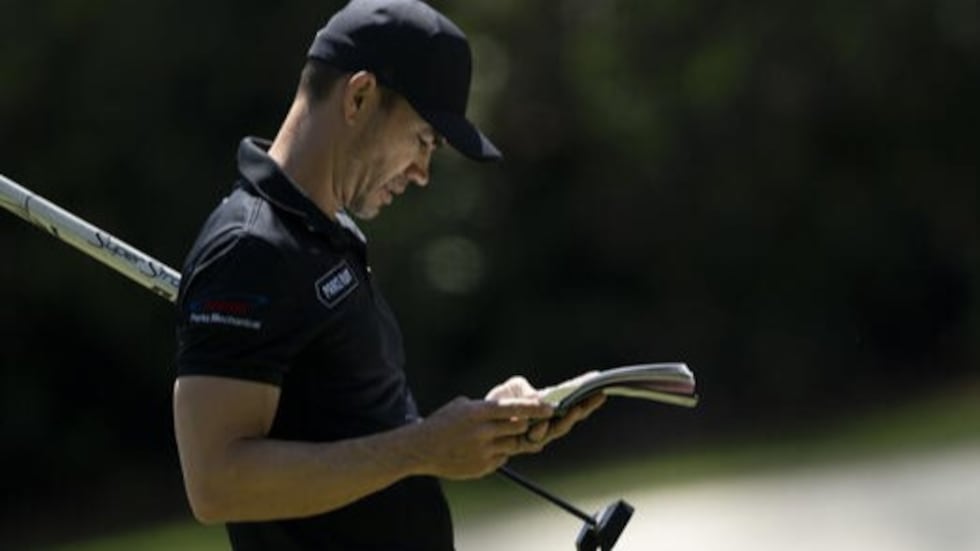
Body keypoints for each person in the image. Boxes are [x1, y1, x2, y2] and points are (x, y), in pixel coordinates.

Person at [173, 0, 604, 549]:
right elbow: (216, 483)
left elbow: (356, 425)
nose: (423, 172)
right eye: (423, 140)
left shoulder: (330, 235)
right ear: (358, 96)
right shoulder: (248, 249)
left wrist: (481, 429)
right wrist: (422, 447)